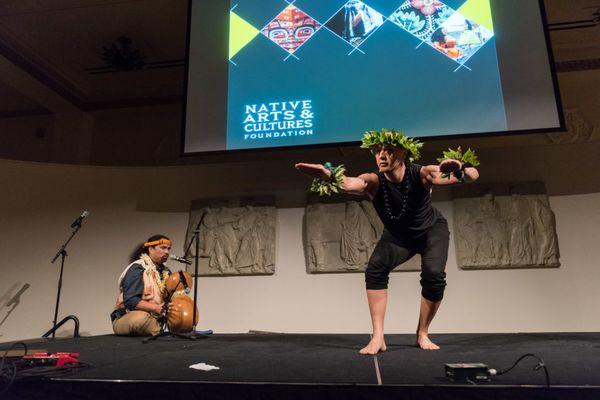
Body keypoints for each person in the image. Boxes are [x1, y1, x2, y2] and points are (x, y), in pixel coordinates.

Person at [295, 129, 480, 354]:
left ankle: (422, 333)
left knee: (433, 274)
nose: (382, 155)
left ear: (403, 154)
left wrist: (459, 168)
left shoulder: (420, 173)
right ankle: (378, 337)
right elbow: (352, 183)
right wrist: (327, 175)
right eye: (378, 151)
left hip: (431, 231)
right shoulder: (374, 181)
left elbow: (465, 176)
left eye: (389, 151)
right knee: (375, 269)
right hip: (398, 236)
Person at [111, 234, 173, 336]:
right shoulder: (137, 269)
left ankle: (161, 329)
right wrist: (155, 308)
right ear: (151, 249)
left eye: (168, 249)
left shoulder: (166, 272)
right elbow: (131, 301)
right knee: (142, 318)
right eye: (163, 248)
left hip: (157, 317)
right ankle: (160, 330)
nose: (167, 252)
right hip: (129, 316)